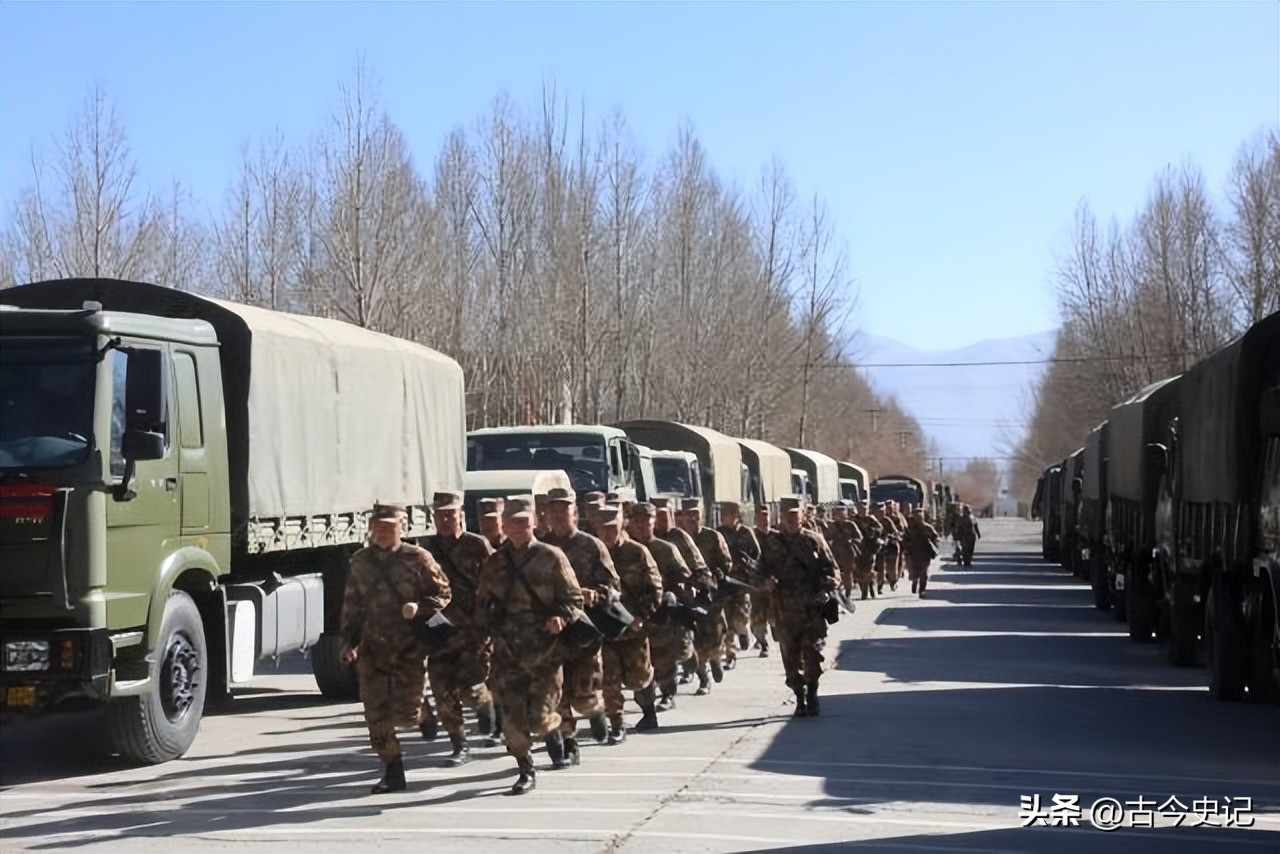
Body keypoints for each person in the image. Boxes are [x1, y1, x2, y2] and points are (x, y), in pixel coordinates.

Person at [339, 502, 452, 794]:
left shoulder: (418, 558)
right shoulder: (360, 562)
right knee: (375, 715)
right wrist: (349, 642)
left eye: (390, 527)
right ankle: (392, 771)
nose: (384, 532)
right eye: (379, 527)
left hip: (409, 648)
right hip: (373, 649)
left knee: (405, 715)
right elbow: (352, 604)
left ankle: (422, 713)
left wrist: (420, 606)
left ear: (402, 528)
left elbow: (443, 592)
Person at [476, 496, 585, 796]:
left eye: (524, 522)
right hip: (508, 653)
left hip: (545, 652)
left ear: (534, 523)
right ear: (504, 526)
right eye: (512, 523)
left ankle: (556, 730)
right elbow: (483, 603)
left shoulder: (551, 557)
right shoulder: (495, 562)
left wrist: (562, 617)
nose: (518, 528)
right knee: (512, 721)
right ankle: (525, 769)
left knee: (540, 717)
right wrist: (483, 636)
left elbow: (574, 599)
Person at [540, 486, 621, 767]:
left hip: (584, 632)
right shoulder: (540, 547)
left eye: (564, 508)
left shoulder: (591, 545)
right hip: (553, 633)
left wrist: (594, 595)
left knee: (583, 697)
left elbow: (614, 587)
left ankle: (596, 711)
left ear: (574, 512)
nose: (558, 514)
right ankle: (569, 743)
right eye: (553, 509)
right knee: (558, 693)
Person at [422, 491, 495, 767]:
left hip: (473, 632)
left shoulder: (477, 545)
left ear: (460, 515)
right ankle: (459, 745)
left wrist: (488, 623)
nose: (445, 520)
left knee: (471, 689)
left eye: (450, 514)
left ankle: (486, 704)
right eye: (440, 515)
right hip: (439, 631)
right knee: (442, 690)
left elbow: (495, 583)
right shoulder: (426, 549)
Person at [758, 496, 837, 717]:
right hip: (784, 612)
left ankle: (812, 692)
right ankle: (799, 696)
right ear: (781, 517)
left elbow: (831, 568)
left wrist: (826, 588)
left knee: (812, 654)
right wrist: (765, 582)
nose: (791, 520)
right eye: (787, 516)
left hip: (812, 610)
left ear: (802, 516)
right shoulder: (772, 543)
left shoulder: (813, 540)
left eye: (795, 515)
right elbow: (759, 570)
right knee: (790, 659)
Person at [597, 504, 663, 740]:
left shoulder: (636, 552)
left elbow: (655, 587)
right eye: (603, 528)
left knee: (639, 677)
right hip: (606, 629)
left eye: (612, 527)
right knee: (609, 678)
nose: (608, 533)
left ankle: (648, 711)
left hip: (634, 628)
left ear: (622, 525)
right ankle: (617, 724)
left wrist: (643, 617)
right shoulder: (593, 552)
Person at [625, 502, 695, 712]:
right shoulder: (626, 550)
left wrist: (683, 590)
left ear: (653, 522)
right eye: (637, 521)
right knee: (638, 659)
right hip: (634, 612)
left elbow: (684, 575)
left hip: (661, 612)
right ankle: (646, 700)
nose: (641, 525)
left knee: (663, 656)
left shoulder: (665, 549)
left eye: (646, 521)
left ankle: (667, 694)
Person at [676, 498, 731, 693]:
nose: (692, 518)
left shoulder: (713, 536)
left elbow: (726, 562)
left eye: (696, 514)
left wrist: (716, 576)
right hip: (689, 596)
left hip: (710, 595)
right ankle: (703, 678)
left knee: (715, 634)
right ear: (681, 517)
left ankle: (715, 658)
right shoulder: (676, 539)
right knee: (694, 640)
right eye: (688, 514)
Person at [715, 501, 759, 667]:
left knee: (741, 617)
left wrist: (747, 563)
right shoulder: (718, 533)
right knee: (726, 619)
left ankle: (743, 631)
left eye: (731, 513)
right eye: (726, 513)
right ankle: (730, 654)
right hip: (725, 582)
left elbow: (756, 553)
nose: (728, 516)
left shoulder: (745, 532)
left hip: (742, 582)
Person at [751, 505, 776, 655]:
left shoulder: (777, 536)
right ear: (756, 519)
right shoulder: (751, 536)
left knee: (776, 616)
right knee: (757, 616)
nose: (765, 520)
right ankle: (763, 643)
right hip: (757, 583)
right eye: (761, 517)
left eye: (767, 516)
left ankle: (775, 631)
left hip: (776, 583)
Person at [826, 501, 863, 601]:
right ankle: (837, 590)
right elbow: (827, 536)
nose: (839, 515)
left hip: (848, 552)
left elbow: (859, 537)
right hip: (835, 552)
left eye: (841, 512)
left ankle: (848, 592)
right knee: (835, 571)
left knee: (847, 572)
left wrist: (852, 541)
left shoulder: (850, 524)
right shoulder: (832, 525)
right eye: (837, 513)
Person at [903, 507, 941, 597]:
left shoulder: (928, 527)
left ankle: (922, 590)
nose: (919, 518)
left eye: (920, 516)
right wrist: (907, 547)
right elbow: (905, 538)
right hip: (914, 552)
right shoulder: (910, 528)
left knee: (924, 572)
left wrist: (933, 542)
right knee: (915, 570)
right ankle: (915, 580)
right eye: (917, 516)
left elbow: (935, 537)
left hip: (925, 552)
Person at [852, 500, 883, 600]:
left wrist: (871, 531)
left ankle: (865, 592)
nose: (862, 511)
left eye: (864, 509)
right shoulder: (854, 520)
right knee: (859, 570)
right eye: (860, 509)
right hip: (857, 548)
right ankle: (866, 586)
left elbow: (879, 529)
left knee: (868, 569)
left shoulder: (871, 519)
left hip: (869, 547)